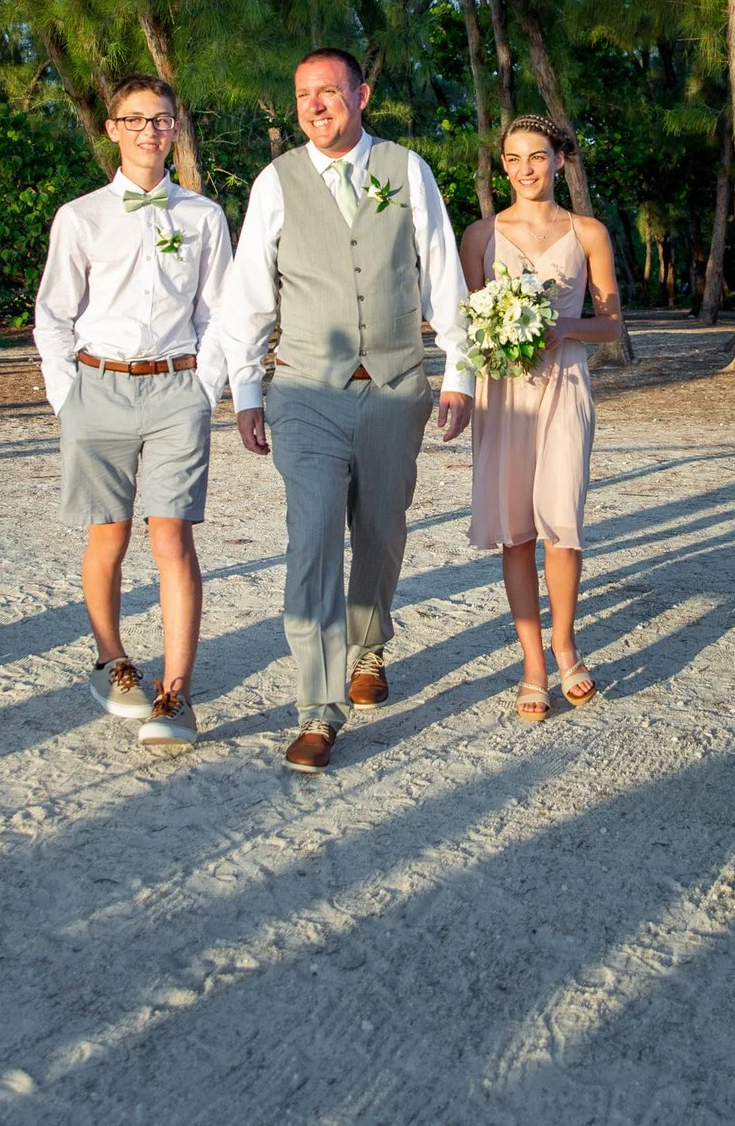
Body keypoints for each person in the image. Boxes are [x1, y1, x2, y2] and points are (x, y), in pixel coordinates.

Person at [212, 48, 474, 772]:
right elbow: (249, 297)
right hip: (304, 391)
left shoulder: (406, 170)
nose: (315, 104)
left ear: (363, 95)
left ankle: (370, 645)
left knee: (383, 533)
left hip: (394, 387)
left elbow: (441, 268)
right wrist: (248, 388)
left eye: (329, 90)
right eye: (303, 94)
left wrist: (462, 372)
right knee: (314, 537)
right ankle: (317, 708)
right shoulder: (276, 182)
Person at [32, 74, 232, 755]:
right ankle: (112, 658)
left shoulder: (203, 216)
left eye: (163, 120)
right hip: (99, 389)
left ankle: (176, 689)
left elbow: (218, 313)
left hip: (177, 387)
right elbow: (54, 313)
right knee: (108, 536)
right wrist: (69, 397)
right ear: (112, 128)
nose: (151, 131)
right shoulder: (81, 216)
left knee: (172, 537)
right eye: (136, 119)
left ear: (177, 130)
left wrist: (205, 388)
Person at [460, 116, 625, 722]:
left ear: (559, 160)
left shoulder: (588, 232)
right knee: (517, 527)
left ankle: (566, 646)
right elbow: (466, 325)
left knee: (562, 522)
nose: (525, 169)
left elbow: (611, 322)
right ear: (502, 165)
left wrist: (564, 329)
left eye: (537, 156)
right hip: (503, 392)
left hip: (565, 384)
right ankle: (532, 663)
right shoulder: (480, 236)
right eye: (513, 158)